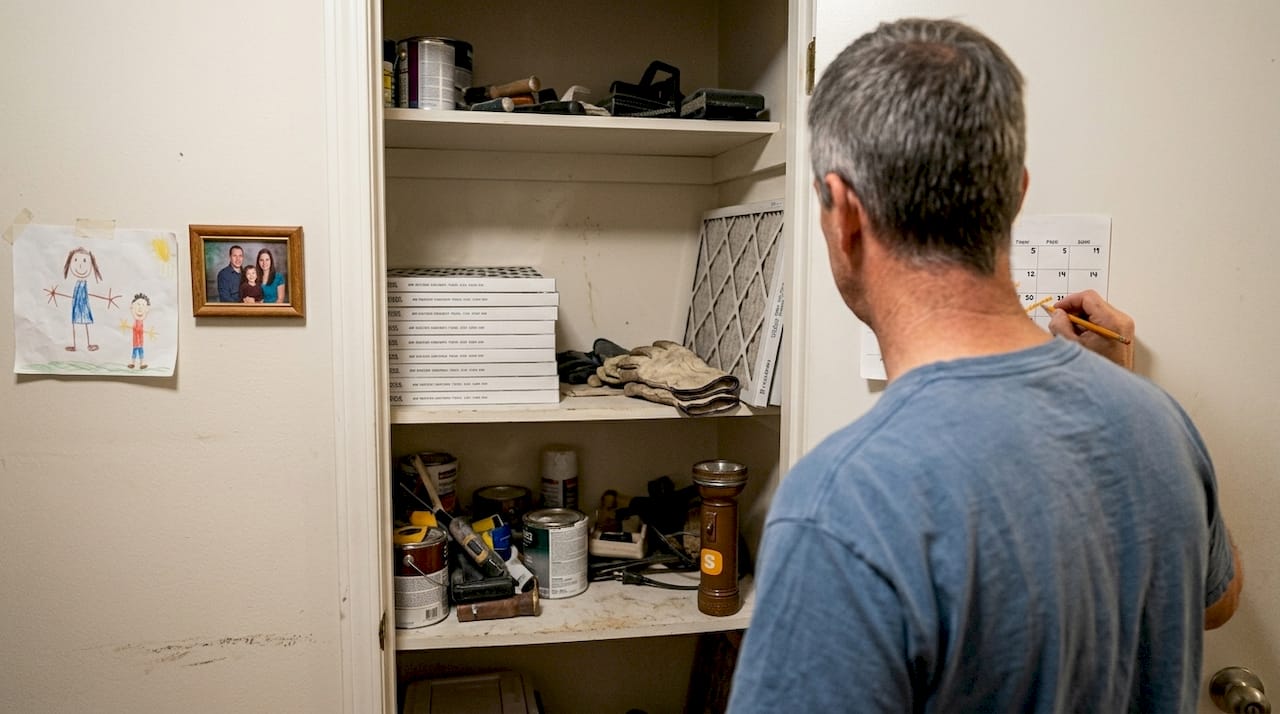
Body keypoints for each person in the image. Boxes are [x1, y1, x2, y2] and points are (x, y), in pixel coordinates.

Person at [726, 18, 1240, 713]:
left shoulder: (844, 505)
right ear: (1016, 194)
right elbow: (1217, 600)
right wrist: (1114, 391)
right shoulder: (1160, 423)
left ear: (843, 213)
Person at [127, 292, 150, 369]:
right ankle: (133, 363)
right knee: (134, 352)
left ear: (147, 309)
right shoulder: (136, 322)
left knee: (140, 352)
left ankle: (141, 364)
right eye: (138, 305)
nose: (140, 308)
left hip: (140, 342)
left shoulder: (141, 322)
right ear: (132, 307)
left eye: (143, 305)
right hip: (135, 342)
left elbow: (140, 330)